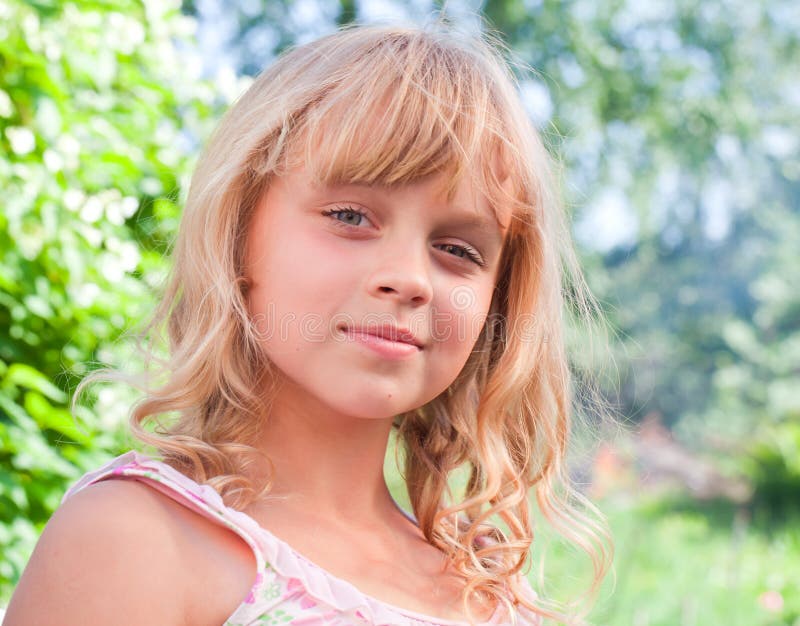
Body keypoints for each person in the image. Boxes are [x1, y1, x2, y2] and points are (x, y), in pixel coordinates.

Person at [4, 21, 611, 626]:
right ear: (237, 234)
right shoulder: (140, 540)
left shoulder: (494, 596)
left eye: (458, 249)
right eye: (350, 215)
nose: (410, 278)